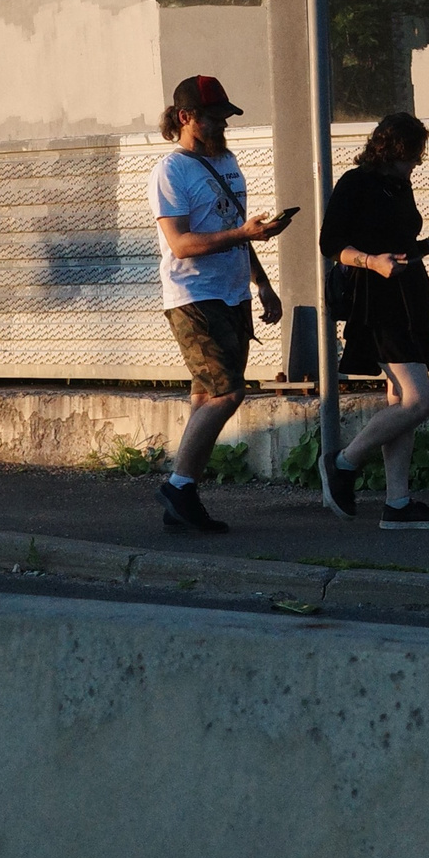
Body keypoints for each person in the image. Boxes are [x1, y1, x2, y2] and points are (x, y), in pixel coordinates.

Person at [148, 74, 289, 533]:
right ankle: (178, 484)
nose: (222, 126)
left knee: (206, 395)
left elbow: (234, 228)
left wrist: (262, 282)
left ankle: (183, 499)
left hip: (232, 293)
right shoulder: (171, 171)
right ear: (186, 117)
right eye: (214, 118)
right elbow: (182, 244)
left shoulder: (226, 161)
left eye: (226, 117)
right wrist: (243, 234)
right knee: (229, 392)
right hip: (193, 295)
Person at [318, 112, 429, 530]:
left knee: (399, 403)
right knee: (419, 401)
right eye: (411, 157)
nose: (415, 166)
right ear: (391, 150)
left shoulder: (398, 186)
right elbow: (330, 243)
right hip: (378, 304)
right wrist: (371, 262)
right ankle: (344, 464)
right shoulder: (356, 183)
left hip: (412, 299)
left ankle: (397, 504)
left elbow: (405, 249)